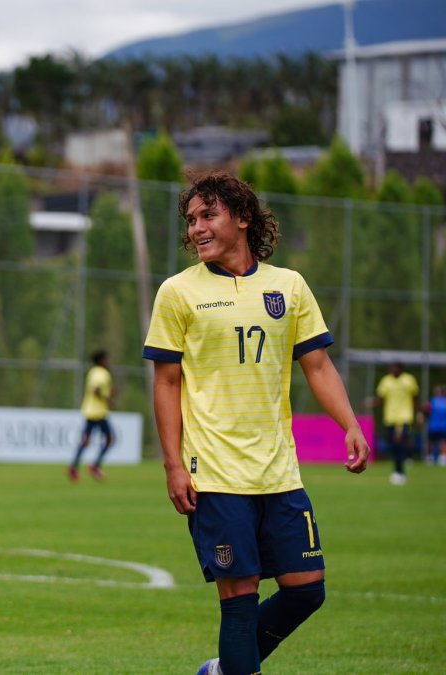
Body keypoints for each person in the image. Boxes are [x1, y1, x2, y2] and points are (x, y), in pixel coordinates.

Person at [143, 171, 369, 675]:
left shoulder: (288, 286)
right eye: (191, 220)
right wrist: (173, 465)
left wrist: (350, 424)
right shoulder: (178, 292)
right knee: (240, 600)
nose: (197, 228)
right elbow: (166, 383)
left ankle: (221, 670)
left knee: (307, 589)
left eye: (208, 215)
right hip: (216, 476)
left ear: (243, 218)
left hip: (279, 471)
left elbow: (317, 365)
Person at [68, 349, 115, 482]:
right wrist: (108, 400)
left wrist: (109, 394)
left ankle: (74, 467)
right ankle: (95, 466)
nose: (108, 362)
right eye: (106, 360)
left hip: (90, 411)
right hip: (98, 413)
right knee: (110, 439)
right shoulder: (102, 373)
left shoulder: (93, 371)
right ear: (101, 361)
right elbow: (96, 390)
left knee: (86, 441)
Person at [374, 361, 419, 485]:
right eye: (391, 368)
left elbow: (415, 398)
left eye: (395, 368)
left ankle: (399, 472)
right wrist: (371, 403)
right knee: (393, 446)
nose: (392, 370)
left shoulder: (409, 380)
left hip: (404, 417)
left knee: (399, 444)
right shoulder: (386, 381)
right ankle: (399, 470)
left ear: (401, 369)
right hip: (390, 418)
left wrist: (419, 414)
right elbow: (380, 398)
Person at [425, 385, 446, 467]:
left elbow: (427, 410)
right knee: (431, 442)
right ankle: (431, 458)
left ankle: (441, 458)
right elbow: (427, 411)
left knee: (442, 442)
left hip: (440, 425)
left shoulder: (434, 401)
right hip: (435, 425)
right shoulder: (433, 401)